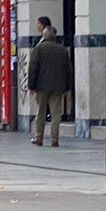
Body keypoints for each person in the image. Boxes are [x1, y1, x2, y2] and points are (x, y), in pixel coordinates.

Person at [26, 19, 71, 147]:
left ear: (45, 35)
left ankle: (39, 137)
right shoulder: (62, 50)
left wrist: (31, 85)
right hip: (58, 87)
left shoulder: (39, 49)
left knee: (41, 112)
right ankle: (55, 139)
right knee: (56, 113)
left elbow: (33, 68)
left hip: (41, 87)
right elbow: (68, 70)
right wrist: (68, 87)